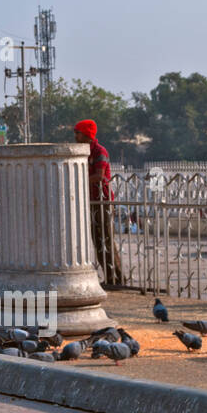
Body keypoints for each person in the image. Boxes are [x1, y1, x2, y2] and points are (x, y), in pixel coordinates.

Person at [74, 119, 125, 287]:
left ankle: (116, 278)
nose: (76, 136)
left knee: (106, 240)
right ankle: (111, 277)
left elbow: (100, 175)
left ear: (86, 134)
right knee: (98, 241)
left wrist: (79, 180)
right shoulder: (83, 151)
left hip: (102, 201)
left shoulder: (99, 151)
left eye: (78, 133)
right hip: (91, 200)